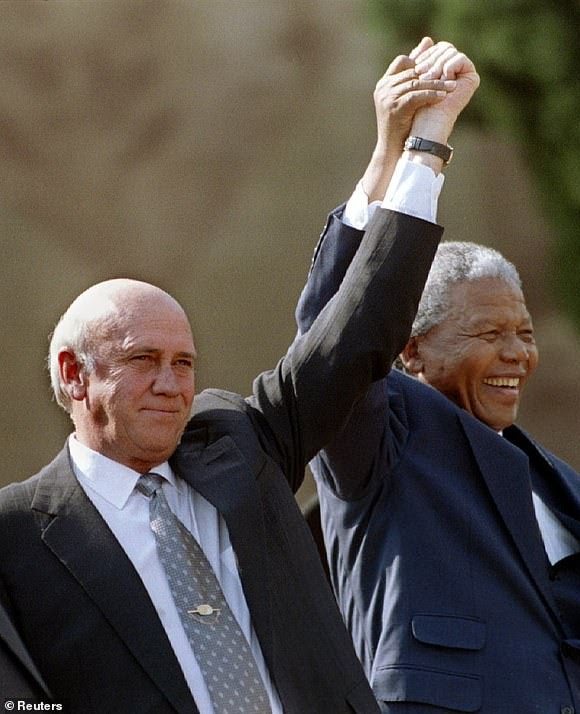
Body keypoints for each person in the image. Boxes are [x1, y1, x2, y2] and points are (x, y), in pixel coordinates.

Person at [0, 38, 475, 714]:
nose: (172, 384)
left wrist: (413, 150)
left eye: (184, 363)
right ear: (75, 375)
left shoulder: (239, 446)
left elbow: (355, 332)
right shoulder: (16, 533)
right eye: (144, 361)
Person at [295, 41, 580, 714]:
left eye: (526, 334)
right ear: (411, 352)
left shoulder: (565, 486)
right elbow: (333, 339)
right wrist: (407, 153)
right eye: (489, 335)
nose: (517, 355)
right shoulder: (381, 446)